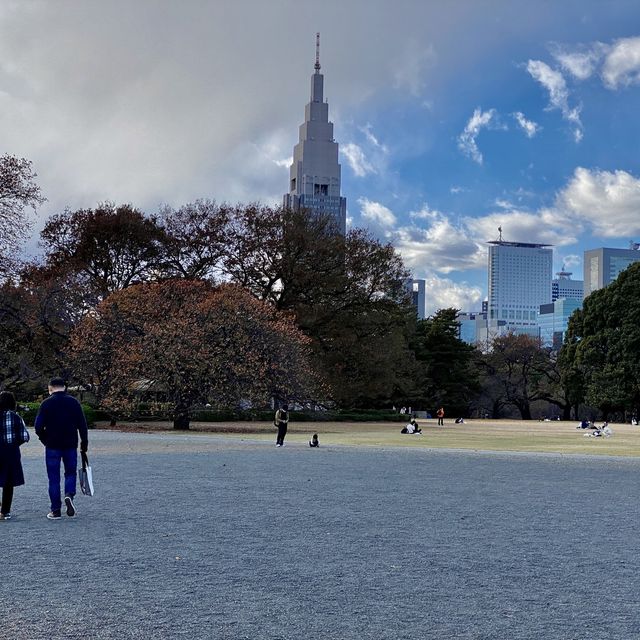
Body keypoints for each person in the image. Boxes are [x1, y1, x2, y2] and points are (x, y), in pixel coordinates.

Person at [35, 378, 89, 519]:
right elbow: (82, 425)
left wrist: (44, 439)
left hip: (52, 444)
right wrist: (84, 442)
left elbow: (38, 426)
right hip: (70, 444)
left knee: (53, 479)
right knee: (70, 473)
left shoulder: (46, 404)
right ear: (65, 387)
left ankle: (55, 510)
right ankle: (69, 494)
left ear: (50, 388)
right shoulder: (74, 402)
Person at [0, 392, 30, 521]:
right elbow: (25, 436)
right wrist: (14, 444)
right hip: (10, 453)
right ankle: (5, 512)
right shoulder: (15, 417)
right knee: (8, 483)